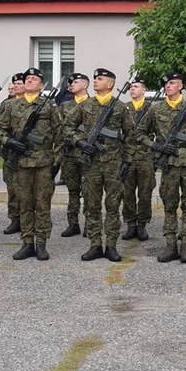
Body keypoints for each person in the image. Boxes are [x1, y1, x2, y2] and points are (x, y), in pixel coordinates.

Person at [66, 68, 132, 262]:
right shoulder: (85, 106)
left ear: (110, 84)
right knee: (92, 205)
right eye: (94, 78)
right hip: (91, 164)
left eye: (100, 79)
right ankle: (95, 244)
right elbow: (67, 127)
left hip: (113, 163)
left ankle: (111, 245)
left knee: (113, 206)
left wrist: (127, 160)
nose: (95, 81)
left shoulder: (119, 107)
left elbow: (131, 135)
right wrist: (81, 142)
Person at [0, 67, 61, 261]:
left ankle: (41, 244)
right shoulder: (11, 106)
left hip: (43, 162)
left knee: (42, 205)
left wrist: (56, 162)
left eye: (34, 78)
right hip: (21, 163)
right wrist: (9, 142)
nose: (30, 80)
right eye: (27, 78)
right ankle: (27, 242)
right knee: (24, 203)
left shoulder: (49, 107)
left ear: (41, 85)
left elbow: (60, 135)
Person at [136, 72, 186, 263]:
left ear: (181, 86)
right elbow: (139, 133)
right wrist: (156, 146)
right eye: (166, 84)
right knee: (169, 206)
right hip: (169, 164)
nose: (168, 86)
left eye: (172, 83)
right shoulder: (156, 110)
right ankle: (171, 245)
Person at [122, 75, 155, 243]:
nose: (132, 89)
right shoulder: (123, 108)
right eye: (131, 87)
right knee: (127, 193)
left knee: (145, 192)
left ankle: (142, 224)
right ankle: (130, 224)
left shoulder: (151, 109)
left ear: (144, 90)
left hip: (145, 156)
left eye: (136, 86)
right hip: (127, 156)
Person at [58, 72, 91, 238]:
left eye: (75, 81)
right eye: (70, 82)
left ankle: (89, 224)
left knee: (89, 191)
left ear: (85, 85)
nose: (71, 84)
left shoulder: (94, 105)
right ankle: (73, 224)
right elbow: (61, 129)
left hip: (88, 155)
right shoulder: (65, 106)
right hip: (70, 154)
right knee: (72, 191)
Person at [0, 73, 25, 235]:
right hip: (10, 154)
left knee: (27, 190)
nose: (15, 85)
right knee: (12, 189)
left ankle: (27, 220)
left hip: (28, 155)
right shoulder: (7, 104)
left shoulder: (37, 104)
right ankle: (15, 219)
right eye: (14, 83)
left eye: (19, 83)